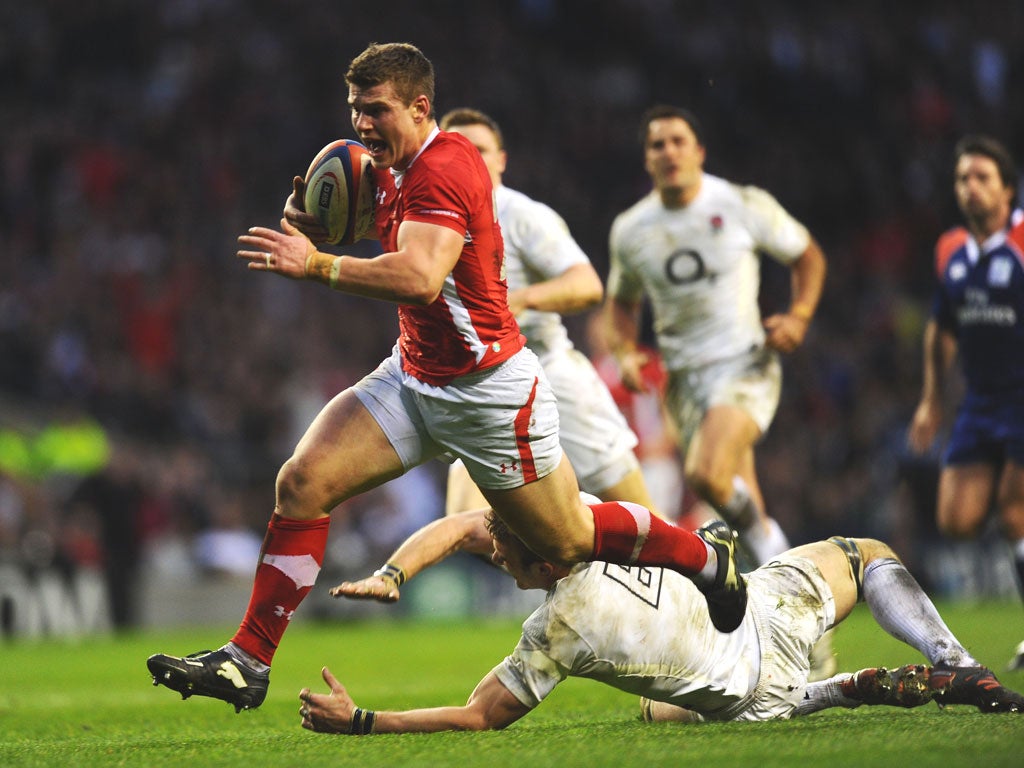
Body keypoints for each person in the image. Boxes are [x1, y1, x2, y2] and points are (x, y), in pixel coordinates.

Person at [146, 43, 745, 713]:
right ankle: (248, 660)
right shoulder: (384, 167)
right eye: (355, 110)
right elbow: (364, 224)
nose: (362, 125)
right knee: (302, 481)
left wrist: (316, 265)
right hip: (413, 375)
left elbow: (420, 276)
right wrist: (317, 222)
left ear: (420, 107)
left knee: (568, 538)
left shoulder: (446, 168)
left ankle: (702, 556)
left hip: (488, 392)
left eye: (376, 111)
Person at [297, 510, 1024, 736]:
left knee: (662, 708)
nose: (492, 552)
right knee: (864, 556)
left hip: (749, 693)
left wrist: (363, 720)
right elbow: (471, 523)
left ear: (542, 570)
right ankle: (952, 659)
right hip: (768, 609)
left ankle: (836, 690)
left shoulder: (554, 632)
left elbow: (477, 716)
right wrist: (397, 572)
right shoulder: (584, 521)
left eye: (503, 554)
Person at [602, 105, 831, 672]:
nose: (669, 152)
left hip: (745, 364)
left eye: (679, 141)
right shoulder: (632, 230)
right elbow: (622, 304)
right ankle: (806, 631)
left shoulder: (739, 203)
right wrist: (627, 352)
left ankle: (789, 584)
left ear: (698, 150)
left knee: (706, 475)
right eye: (657, 145)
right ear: (647, 158)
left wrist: (799, 316)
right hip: (683, 380)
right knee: (744, 508)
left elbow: (807, 255)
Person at [436, 107, 659, 518]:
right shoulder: (431, 218)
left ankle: (707, 575)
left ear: (501, 160)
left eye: (481, 150)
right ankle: (576, 562)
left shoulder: (523, 216)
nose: (470, 160)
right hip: (482, 386)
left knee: (644, 517)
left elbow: (586, 284)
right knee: (465, 524)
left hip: (550, 376)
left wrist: (518, 301)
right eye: (457, 150)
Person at [907, 134, 1024, 671]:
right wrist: (932, 400)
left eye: (982, 178)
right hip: (979, 402)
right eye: (962, 179)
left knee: (1014, 514)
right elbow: (941, 327)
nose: (970, 187)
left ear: (1007, 189)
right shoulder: (951, 249)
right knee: (956, 520)